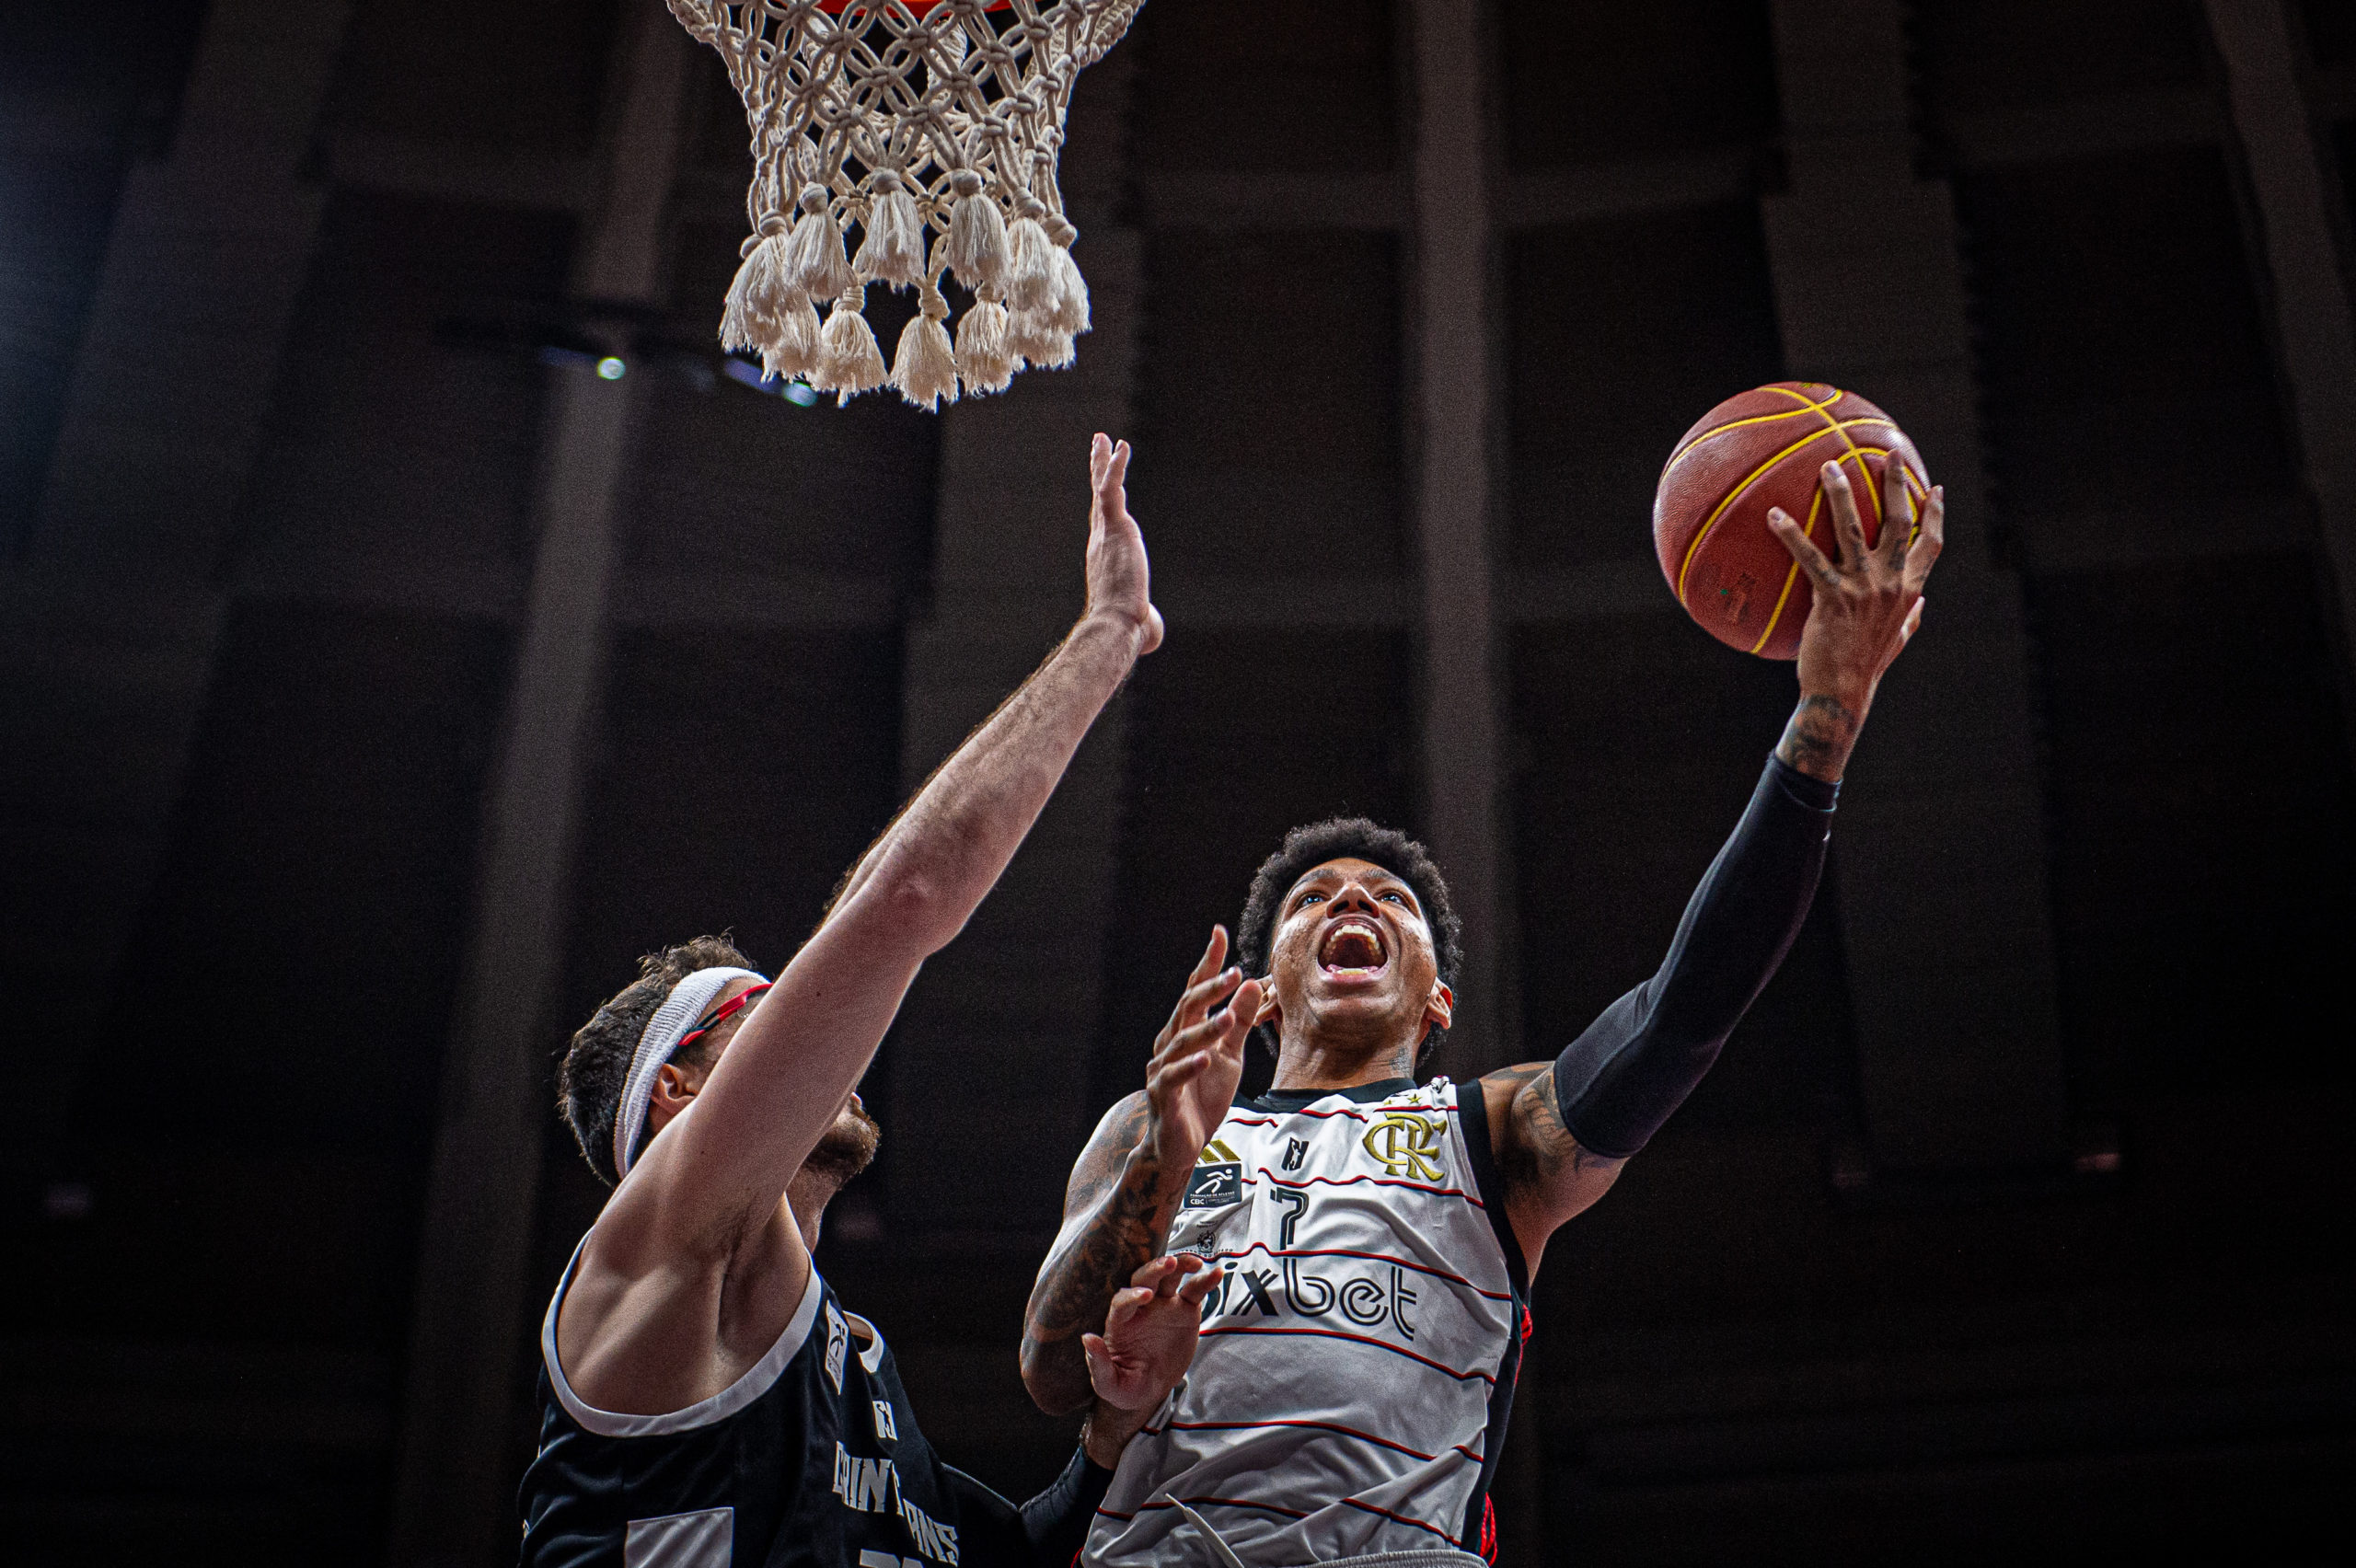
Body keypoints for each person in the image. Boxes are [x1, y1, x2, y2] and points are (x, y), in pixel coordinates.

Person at [1021, 459, 1945, 1565]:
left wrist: (1828, 714)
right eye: (1315, 898)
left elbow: (1679, 1018)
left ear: (1437, 995)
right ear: (1262, 987)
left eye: (1389, 900)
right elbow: (1045, 1371)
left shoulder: (1492, 1133)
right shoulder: (1147, 1128)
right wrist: (1166, 1164)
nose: (1352, 898)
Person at [519, 435, 1217, 1568]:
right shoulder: (662, 1242)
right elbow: (908, 898)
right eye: (764, 1012)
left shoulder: (852, 1364)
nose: (816, 1027)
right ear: (682, 1090)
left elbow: (1024, 1557)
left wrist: (1115, 1424)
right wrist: (1105, 634)